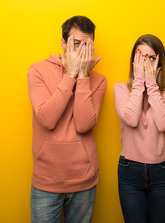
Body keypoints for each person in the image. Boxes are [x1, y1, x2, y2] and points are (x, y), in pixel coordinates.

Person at [27, 15, 107, 223]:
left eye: (87, 45)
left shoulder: (98, 80)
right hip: (47, 182)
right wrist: (70, 74)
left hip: (83, 181)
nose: (82, 51)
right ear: (63, 43)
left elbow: (83, 124)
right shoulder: (37, 71)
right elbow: (47, 119)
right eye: (77, 44)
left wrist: (83, 77)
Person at [114, 34, 165, 223]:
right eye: (140, 58)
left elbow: (163, 124)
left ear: (160, 62)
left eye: (151, 58)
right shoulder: (121, 89)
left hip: (163, 172)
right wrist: (138, 82)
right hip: (129, 172)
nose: (145, 64)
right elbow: (131, 119)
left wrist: (151, 84)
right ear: (133, 62)